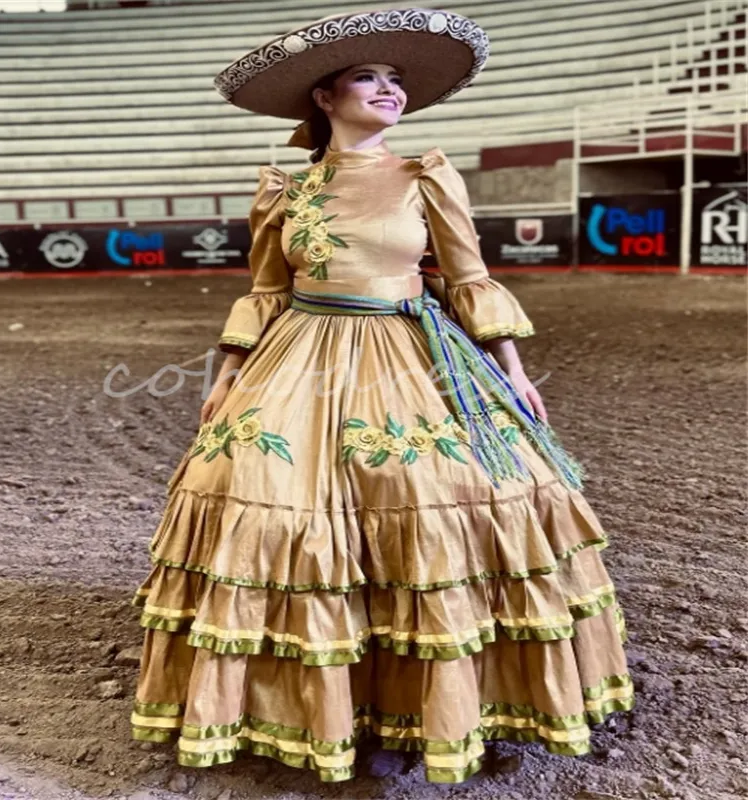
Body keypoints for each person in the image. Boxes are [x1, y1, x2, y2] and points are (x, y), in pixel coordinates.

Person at [128, 7, 635, 784]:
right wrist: (228, 375)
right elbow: (266, 290)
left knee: (446, 487)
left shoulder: (423, 175)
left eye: (397, 80)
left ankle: (450, 691)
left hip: (407, 348)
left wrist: (512, 367)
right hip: (300, 353)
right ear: (325, 97)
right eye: (369, 77)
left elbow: (468, 278)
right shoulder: (283, 192)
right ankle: (310, 699)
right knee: (256, 484)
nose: (389, 91)